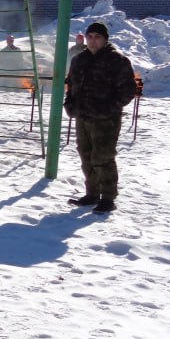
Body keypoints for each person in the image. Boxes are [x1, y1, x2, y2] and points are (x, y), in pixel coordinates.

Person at [63, 21, 138, 214]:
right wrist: (69, 104)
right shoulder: (79, 60)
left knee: (103, 156)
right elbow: (71, 85)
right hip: (83, 116)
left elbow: (128, 90)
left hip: (106, 120)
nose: (93, 41)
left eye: (97, 37)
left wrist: (108, 109)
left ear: (105, 39)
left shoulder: (117, 61)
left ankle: (108, 197)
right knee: (86, 155)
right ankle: (92, 193)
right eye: (90, 37)